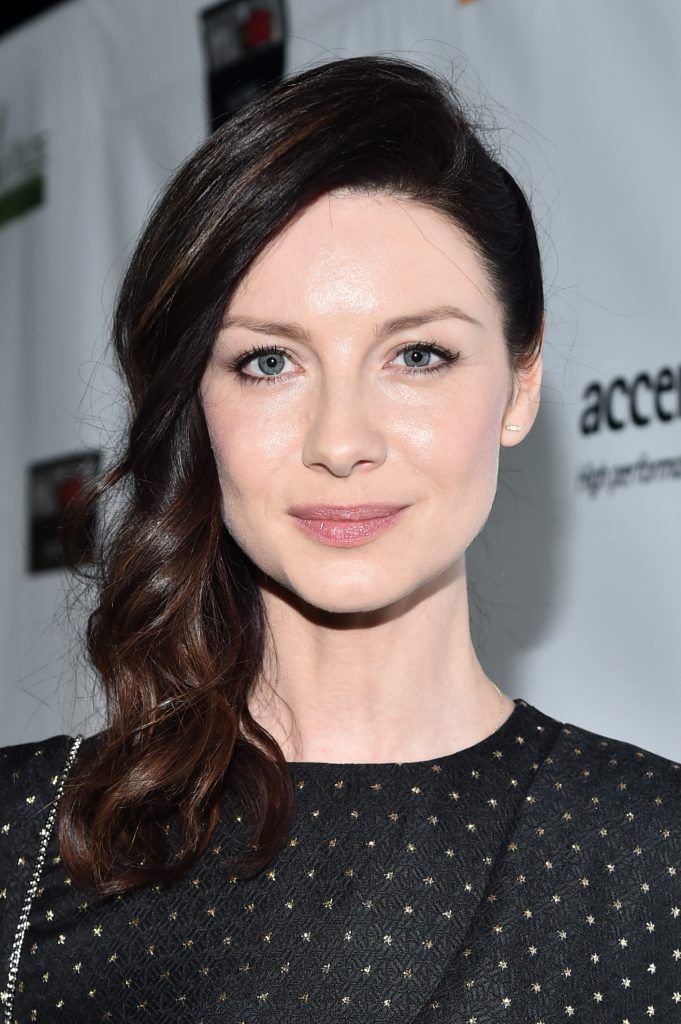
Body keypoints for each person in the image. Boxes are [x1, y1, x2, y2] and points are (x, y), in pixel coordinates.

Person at [1, 55, 679, 1023]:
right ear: (198, 399)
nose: (342, 441)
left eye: (418, 355)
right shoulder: (24, 836)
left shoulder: (653, 860)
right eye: (269, 361)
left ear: (520, 384)